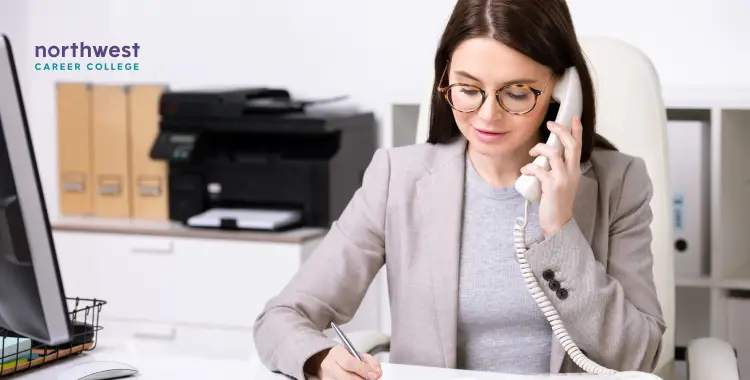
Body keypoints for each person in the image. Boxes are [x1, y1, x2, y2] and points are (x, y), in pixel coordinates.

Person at [253, 0, 666, 379]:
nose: (488, 115)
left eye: (517, 93)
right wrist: (318, 360)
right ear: (445, 79)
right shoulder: (398, 178)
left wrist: (559, 230)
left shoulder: (620, 184)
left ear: (562, 90)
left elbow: (637, 358)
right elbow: (281, 316)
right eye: (468, 90)